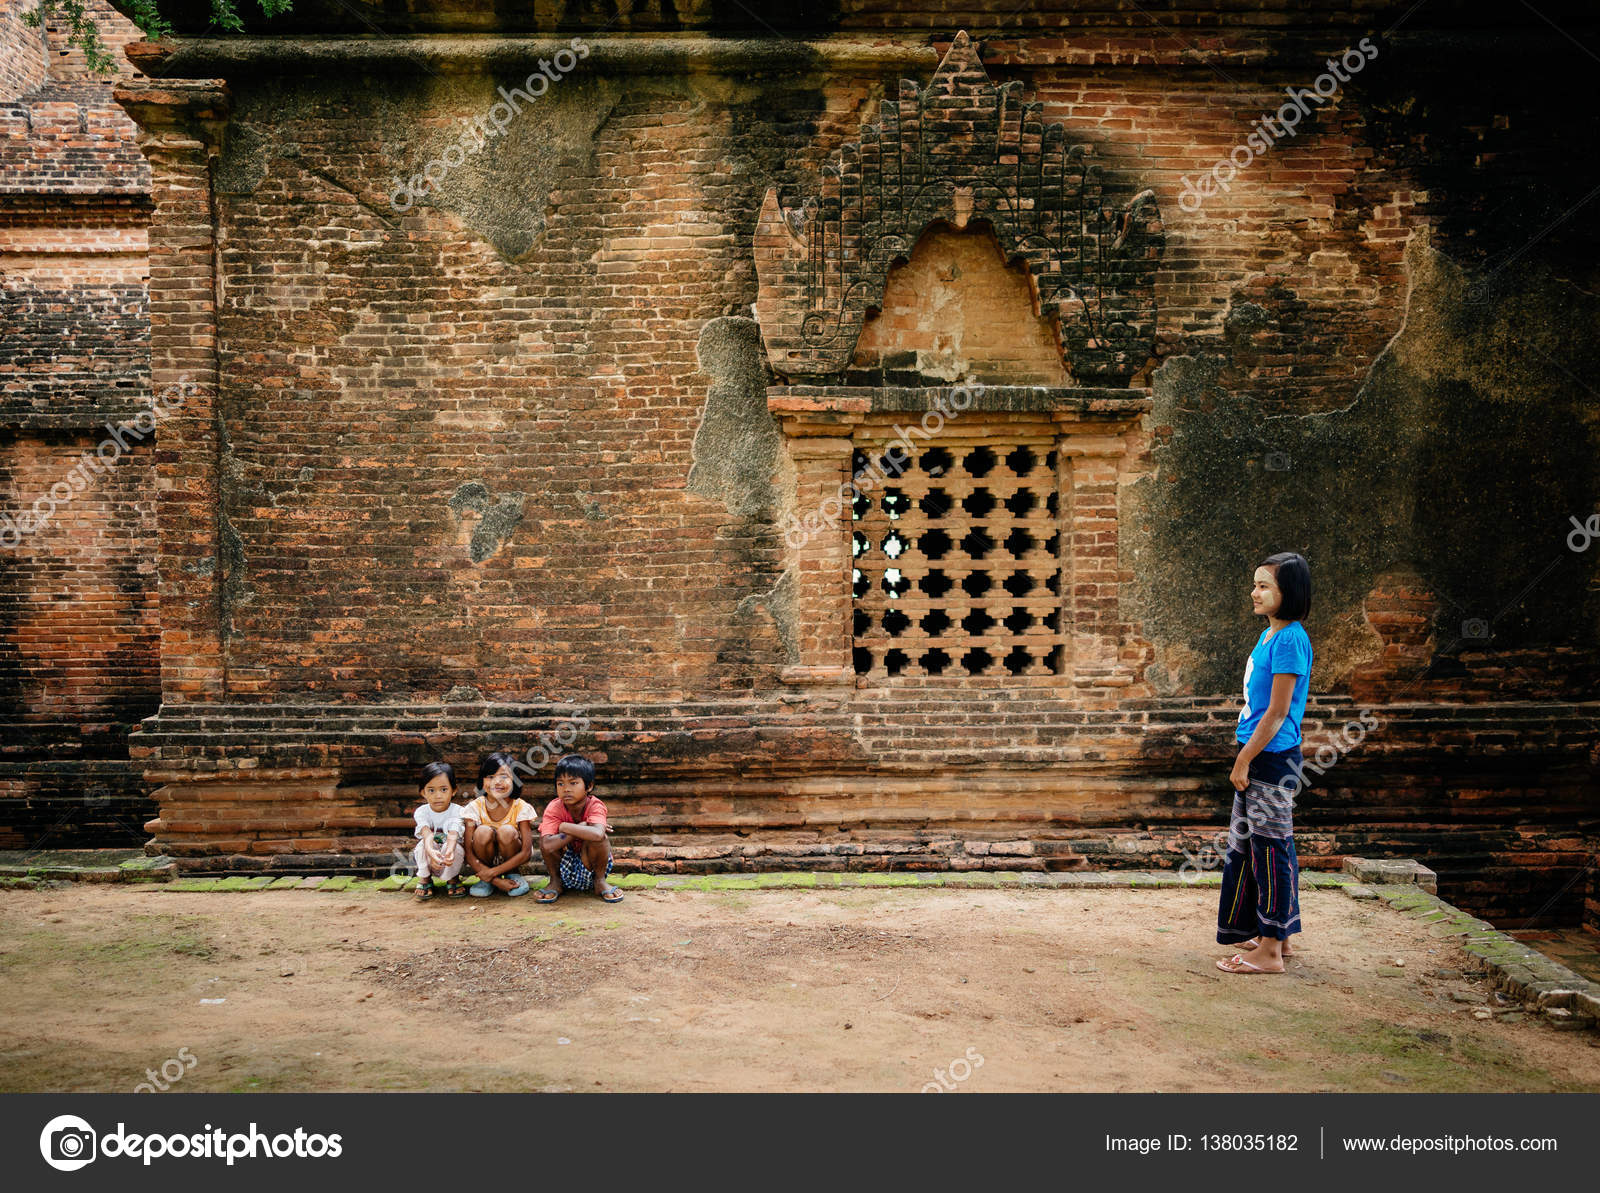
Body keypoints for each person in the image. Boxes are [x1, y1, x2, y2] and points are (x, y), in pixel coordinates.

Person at [1216, 552, 1313, 975]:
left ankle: (1271, 952)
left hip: (1270, 759)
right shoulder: (1270, 636)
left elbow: (1276, 712)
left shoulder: (1291, 638)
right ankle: (1278, 937)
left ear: (1286, 593)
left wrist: (1243, 760)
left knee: (1270, 851)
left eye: (1264, 586)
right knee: (1258, 848)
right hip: (1263, 755)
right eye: (1255, 584)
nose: (1254, 593)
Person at [534, 753, 622, 904]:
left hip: (589, 864)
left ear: (589, 786)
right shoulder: (554, 807)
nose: (566, 789)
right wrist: (581, 827)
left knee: (601, 839)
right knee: (545, 839)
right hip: (563, 864)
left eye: (573, 783)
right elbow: (547, 845)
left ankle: (600, 882)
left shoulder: (595, 805)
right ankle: (555, 881)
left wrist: (564, 827)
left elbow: (597, 835)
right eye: (560, 783)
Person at [461, 752, 536, 897]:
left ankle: (512, 875)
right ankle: (486, 882)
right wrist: (494, 880)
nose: (497, 782)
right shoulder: (474, 808)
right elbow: (468, 853)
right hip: (485, 864)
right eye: (490, 777)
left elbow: (526, 852)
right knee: (482, 831)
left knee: (507, 831)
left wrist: (492, 873)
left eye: (504, 777)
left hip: (511, 857)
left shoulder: (520, 807)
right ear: (482, 781)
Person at [411, 761, 467, 900]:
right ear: (423, 792)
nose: (438, 795)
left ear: (453, 790)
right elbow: (426, 834)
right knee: (421, 846)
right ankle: (425, 878)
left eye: (443, 789)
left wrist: (449, 851)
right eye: (431, 790)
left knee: (456, 849)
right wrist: (430, 851)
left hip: (450, 851)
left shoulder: (458, 811)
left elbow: (453, 834)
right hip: (432, 849)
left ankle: (453, 878)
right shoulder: (422, 812)